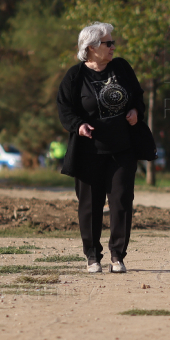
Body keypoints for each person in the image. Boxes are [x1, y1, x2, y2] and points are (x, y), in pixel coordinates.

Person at [56, 22, 145, 273]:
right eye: (108, 43)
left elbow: (138, 95)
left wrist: (136, 110)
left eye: (112, 42)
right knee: (90, 205)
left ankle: (118, 256)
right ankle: (92, 256)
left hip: (122, 149)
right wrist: (78, 125)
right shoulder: (75, 76)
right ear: (91, 47)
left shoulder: (122, 68)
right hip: (88, 152)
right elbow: (64, 108)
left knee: (121, 202)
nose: (113, 46)